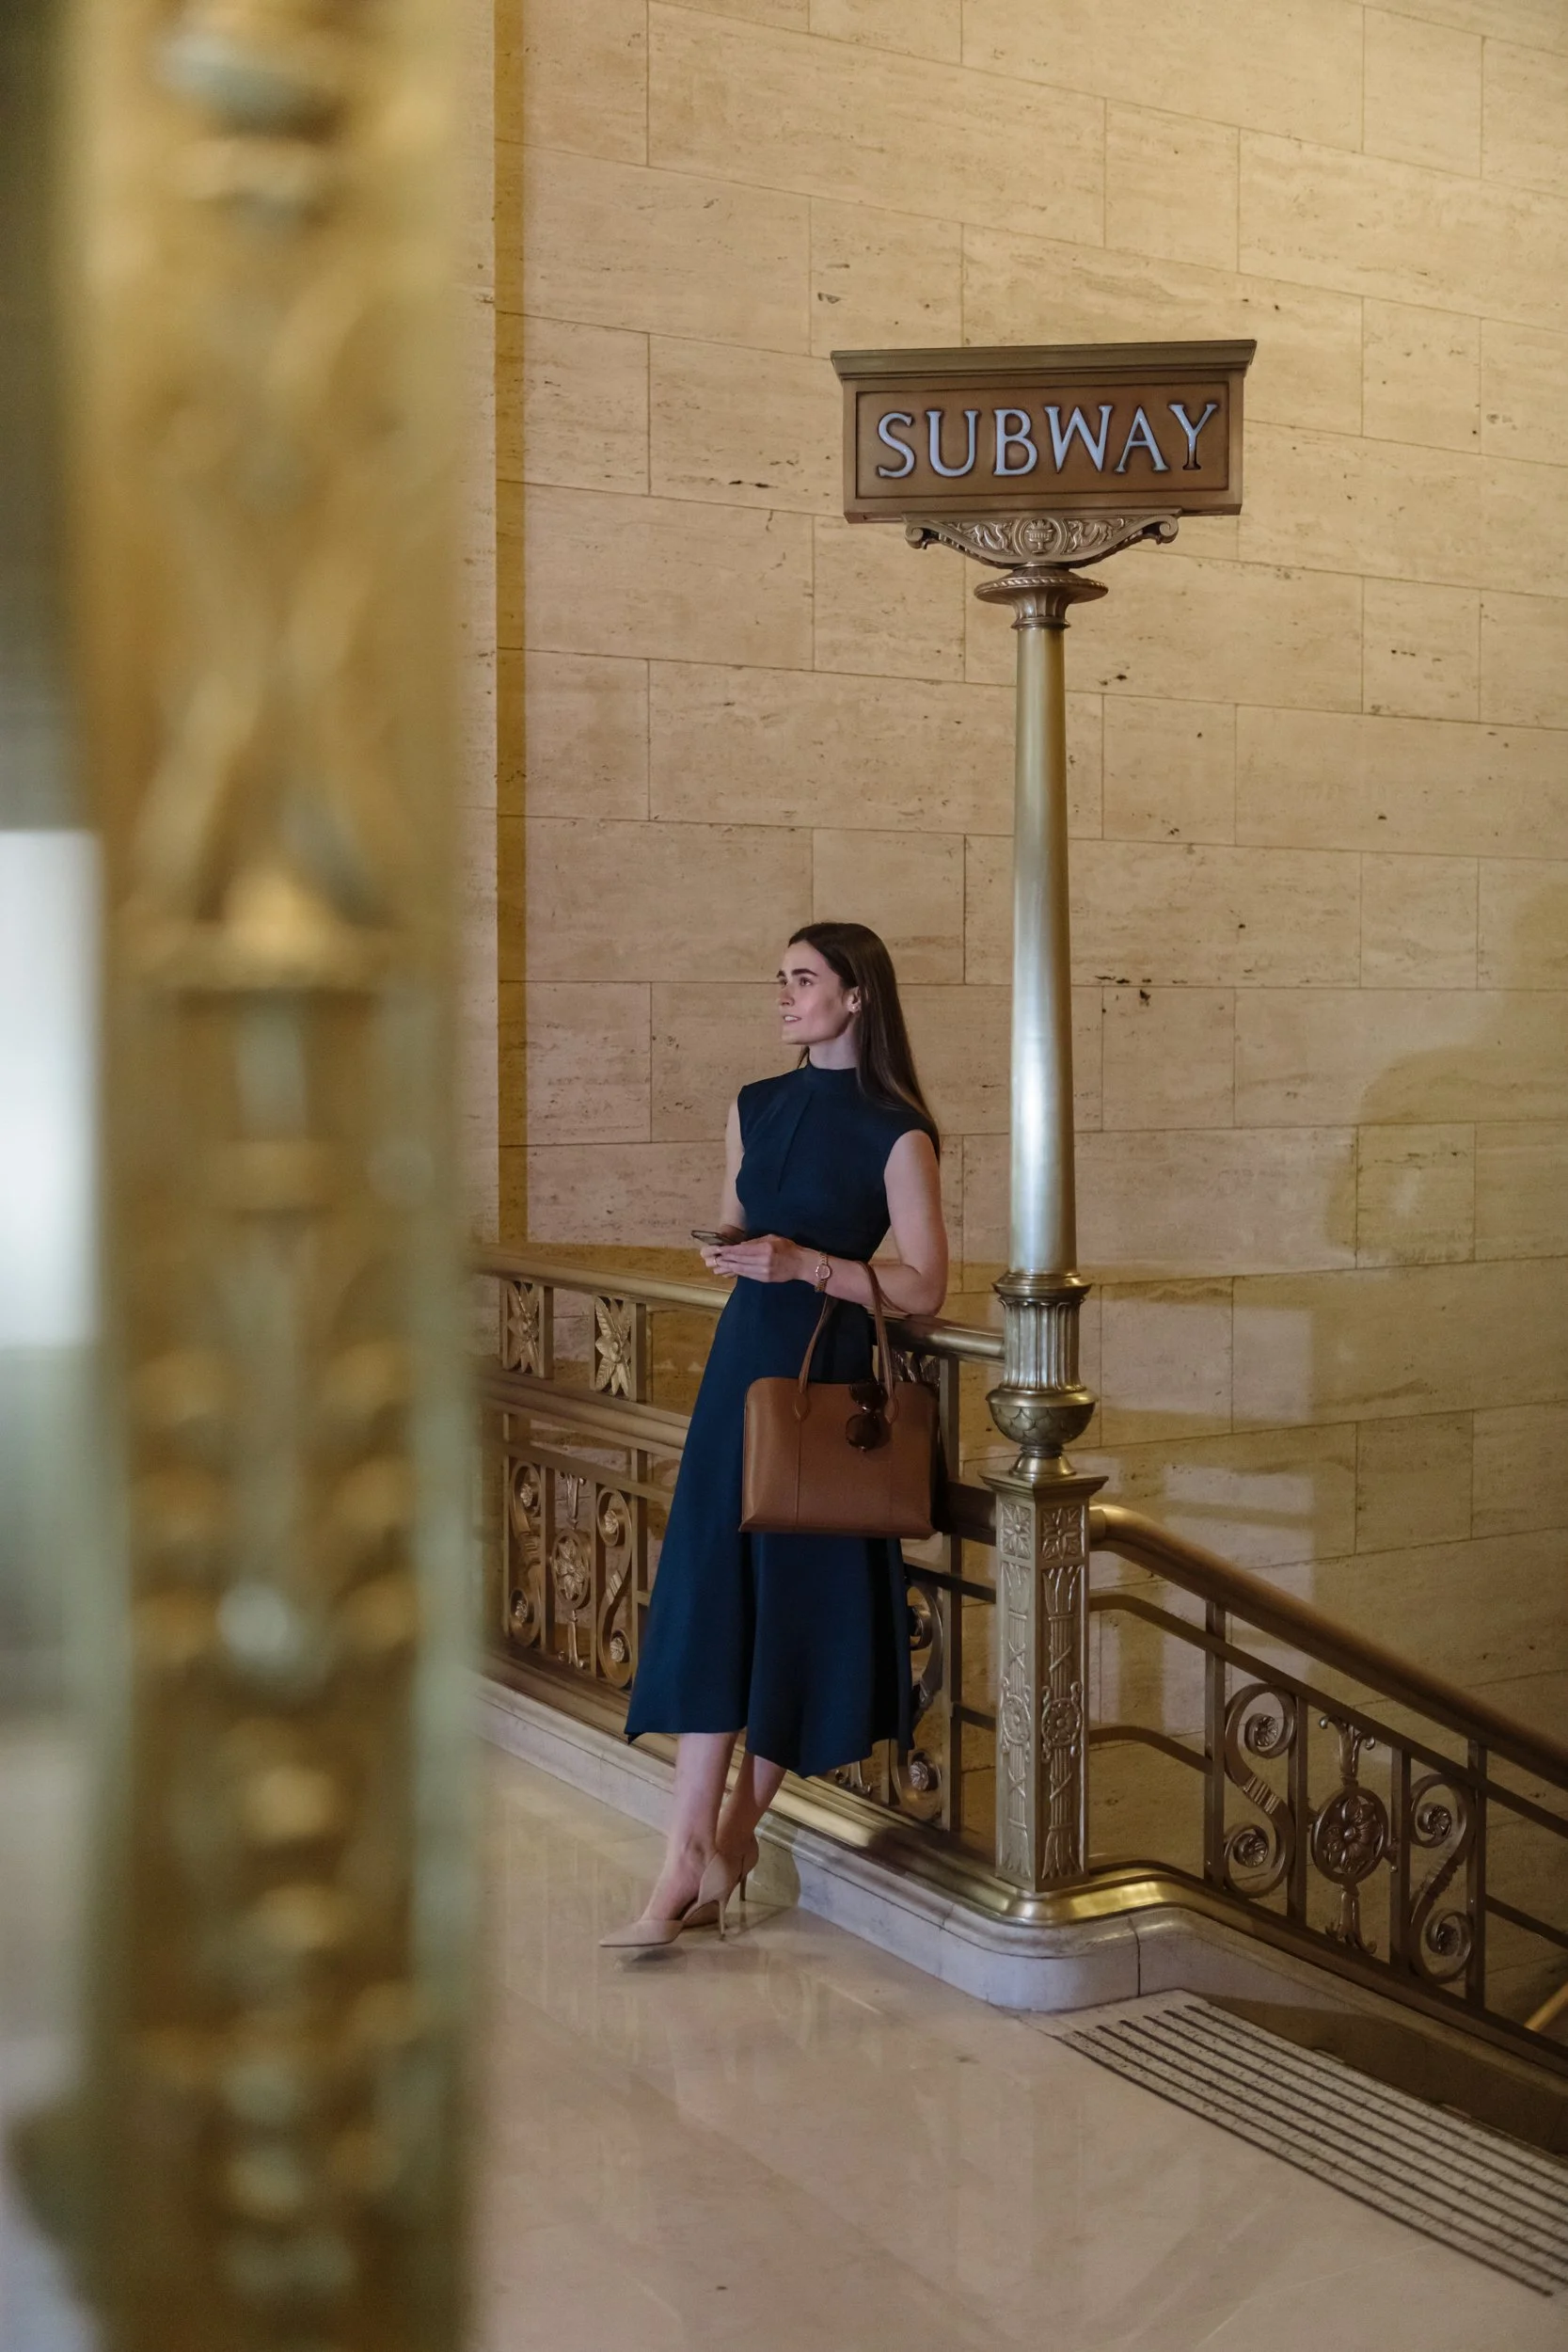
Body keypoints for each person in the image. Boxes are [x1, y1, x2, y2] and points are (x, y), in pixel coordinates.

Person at [605, 922, 948, 1948]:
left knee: (795, 1613)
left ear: (855, 998)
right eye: (780, 982)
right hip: (740, 1367)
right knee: (715, 1598)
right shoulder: (752, 1105)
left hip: (824, 1386)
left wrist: (807, 1267)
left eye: (803, 981)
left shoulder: (898, 1131)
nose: (784, 997)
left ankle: (736, 1835)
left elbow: (926, 1286)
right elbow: (735, 1221)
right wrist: (740, 1255)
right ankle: (678, 1859)